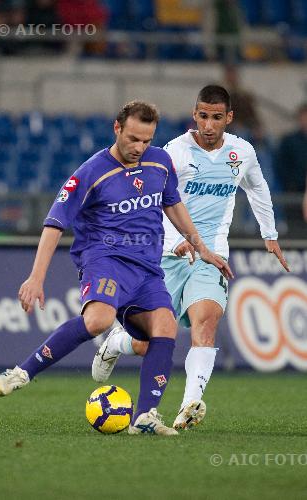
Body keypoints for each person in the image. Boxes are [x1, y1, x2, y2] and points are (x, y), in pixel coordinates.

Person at [0, 100, 232, 437]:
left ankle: (147, 415)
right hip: (105, 261)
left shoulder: (160, 162)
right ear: (117, 129)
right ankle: (22, 372)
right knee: (99, 320)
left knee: (164, 327)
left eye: (147, 140)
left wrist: (201, 246)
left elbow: (173, 203)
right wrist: (36, 277)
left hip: (148, 267)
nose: (140, 147)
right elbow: (54, 223)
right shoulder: (90, 172)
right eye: (133, 138)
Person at [91, 86, 290, 430]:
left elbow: (257, 188)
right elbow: (154, 201)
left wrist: (269, 234)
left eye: (216, 118)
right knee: (146, 342)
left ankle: (189, 404)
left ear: (228, 118)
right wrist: (179, 240)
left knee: (206, 321)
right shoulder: (174, 153)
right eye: (203, 116)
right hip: (168, 254)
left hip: (212, 256)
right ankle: (117, 342)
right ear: (194, 115)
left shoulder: (242, 153)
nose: (209, 125)